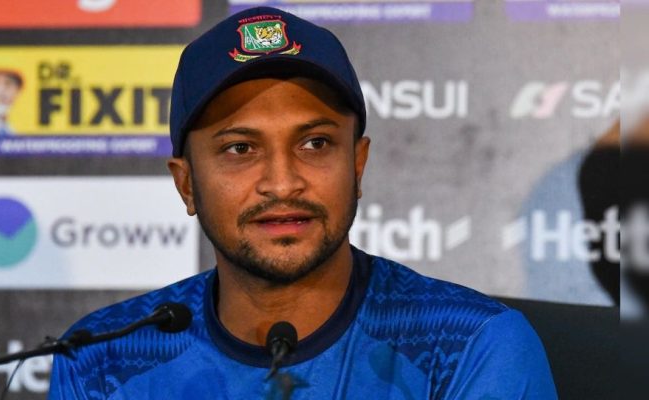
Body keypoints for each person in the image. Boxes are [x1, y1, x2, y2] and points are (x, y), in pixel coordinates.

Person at [49, 7, 557, 399]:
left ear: (357, 165)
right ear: (186, 185)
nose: (283, 182)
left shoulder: (470, 345)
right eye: (240, 149)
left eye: (315, 143)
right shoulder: (103, 360)